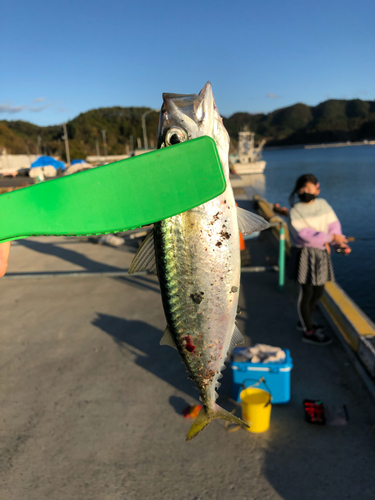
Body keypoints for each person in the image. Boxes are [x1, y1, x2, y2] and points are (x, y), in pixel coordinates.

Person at [288, 174, 348, 345]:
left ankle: (306, 320)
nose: (305, 192)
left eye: (309, 188)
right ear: (297, 191)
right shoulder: (295, 211)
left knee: (319, 292)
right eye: (302, 189)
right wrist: (332, 238)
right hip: (304, 254)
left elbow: (334, 228)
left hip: (321, 253)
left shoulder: (324, 205)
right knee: (306, 293)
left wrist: (340, 245)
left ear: (317, 189)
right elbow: (305, 235)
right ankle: (308, 331)